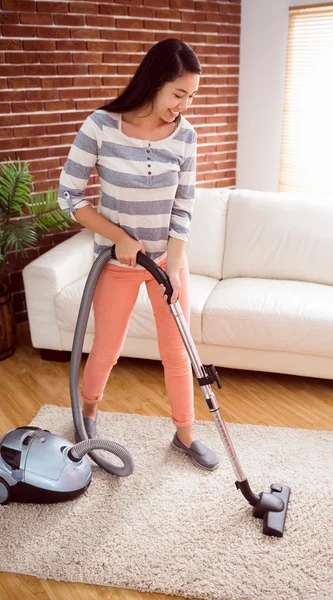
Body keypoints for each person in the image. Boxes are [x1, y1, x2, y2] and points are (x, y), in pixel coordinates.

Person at [57, 38, 219, 471]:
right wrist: (119, 237)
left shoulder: (185, 135)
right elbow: (68, 195)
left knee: (177, 350)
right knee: (107, 347)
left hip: (168, 262)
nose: (183, 105)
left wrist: (176, 268)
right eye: (178, 93)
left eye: (191, 96)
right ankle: (87, 416)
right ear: (154, 82)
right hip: (116, 264)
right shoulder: (101, 126)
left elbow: (184, 207)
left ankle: (185, 434)